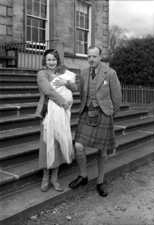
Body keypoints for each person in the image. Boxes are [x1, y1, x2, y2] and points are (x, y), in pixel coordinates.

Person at [69, 46, 122, 197]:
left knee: (103, 150)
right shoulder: (84, 73)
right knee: (78, 145)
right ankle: (83, 175)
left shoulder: (110, 73)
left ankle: (100, 181)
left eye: (94, 56)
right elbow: (82, 93)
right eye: (89, 56)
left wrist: (112, 112)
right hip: (87, 113)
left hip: (104, 113)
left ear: (100, 57)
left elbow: (117, 96)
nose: (91, 59)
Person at [35, 49, 78, 192]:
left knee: (59, 143)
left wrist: (66, 82)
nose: (51, 62)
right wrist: (63, 102)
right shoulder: (42, 74)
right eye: (48, 60)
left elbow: (75, 87)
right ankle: (45, 178)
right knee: (47, 143)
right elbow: (48, 90)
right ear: (44, 61)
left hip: (62, 114)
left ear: (57, 61)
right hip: (48, 112)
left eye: (53, 59)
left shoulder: (62, 74)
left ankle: (54, 178)